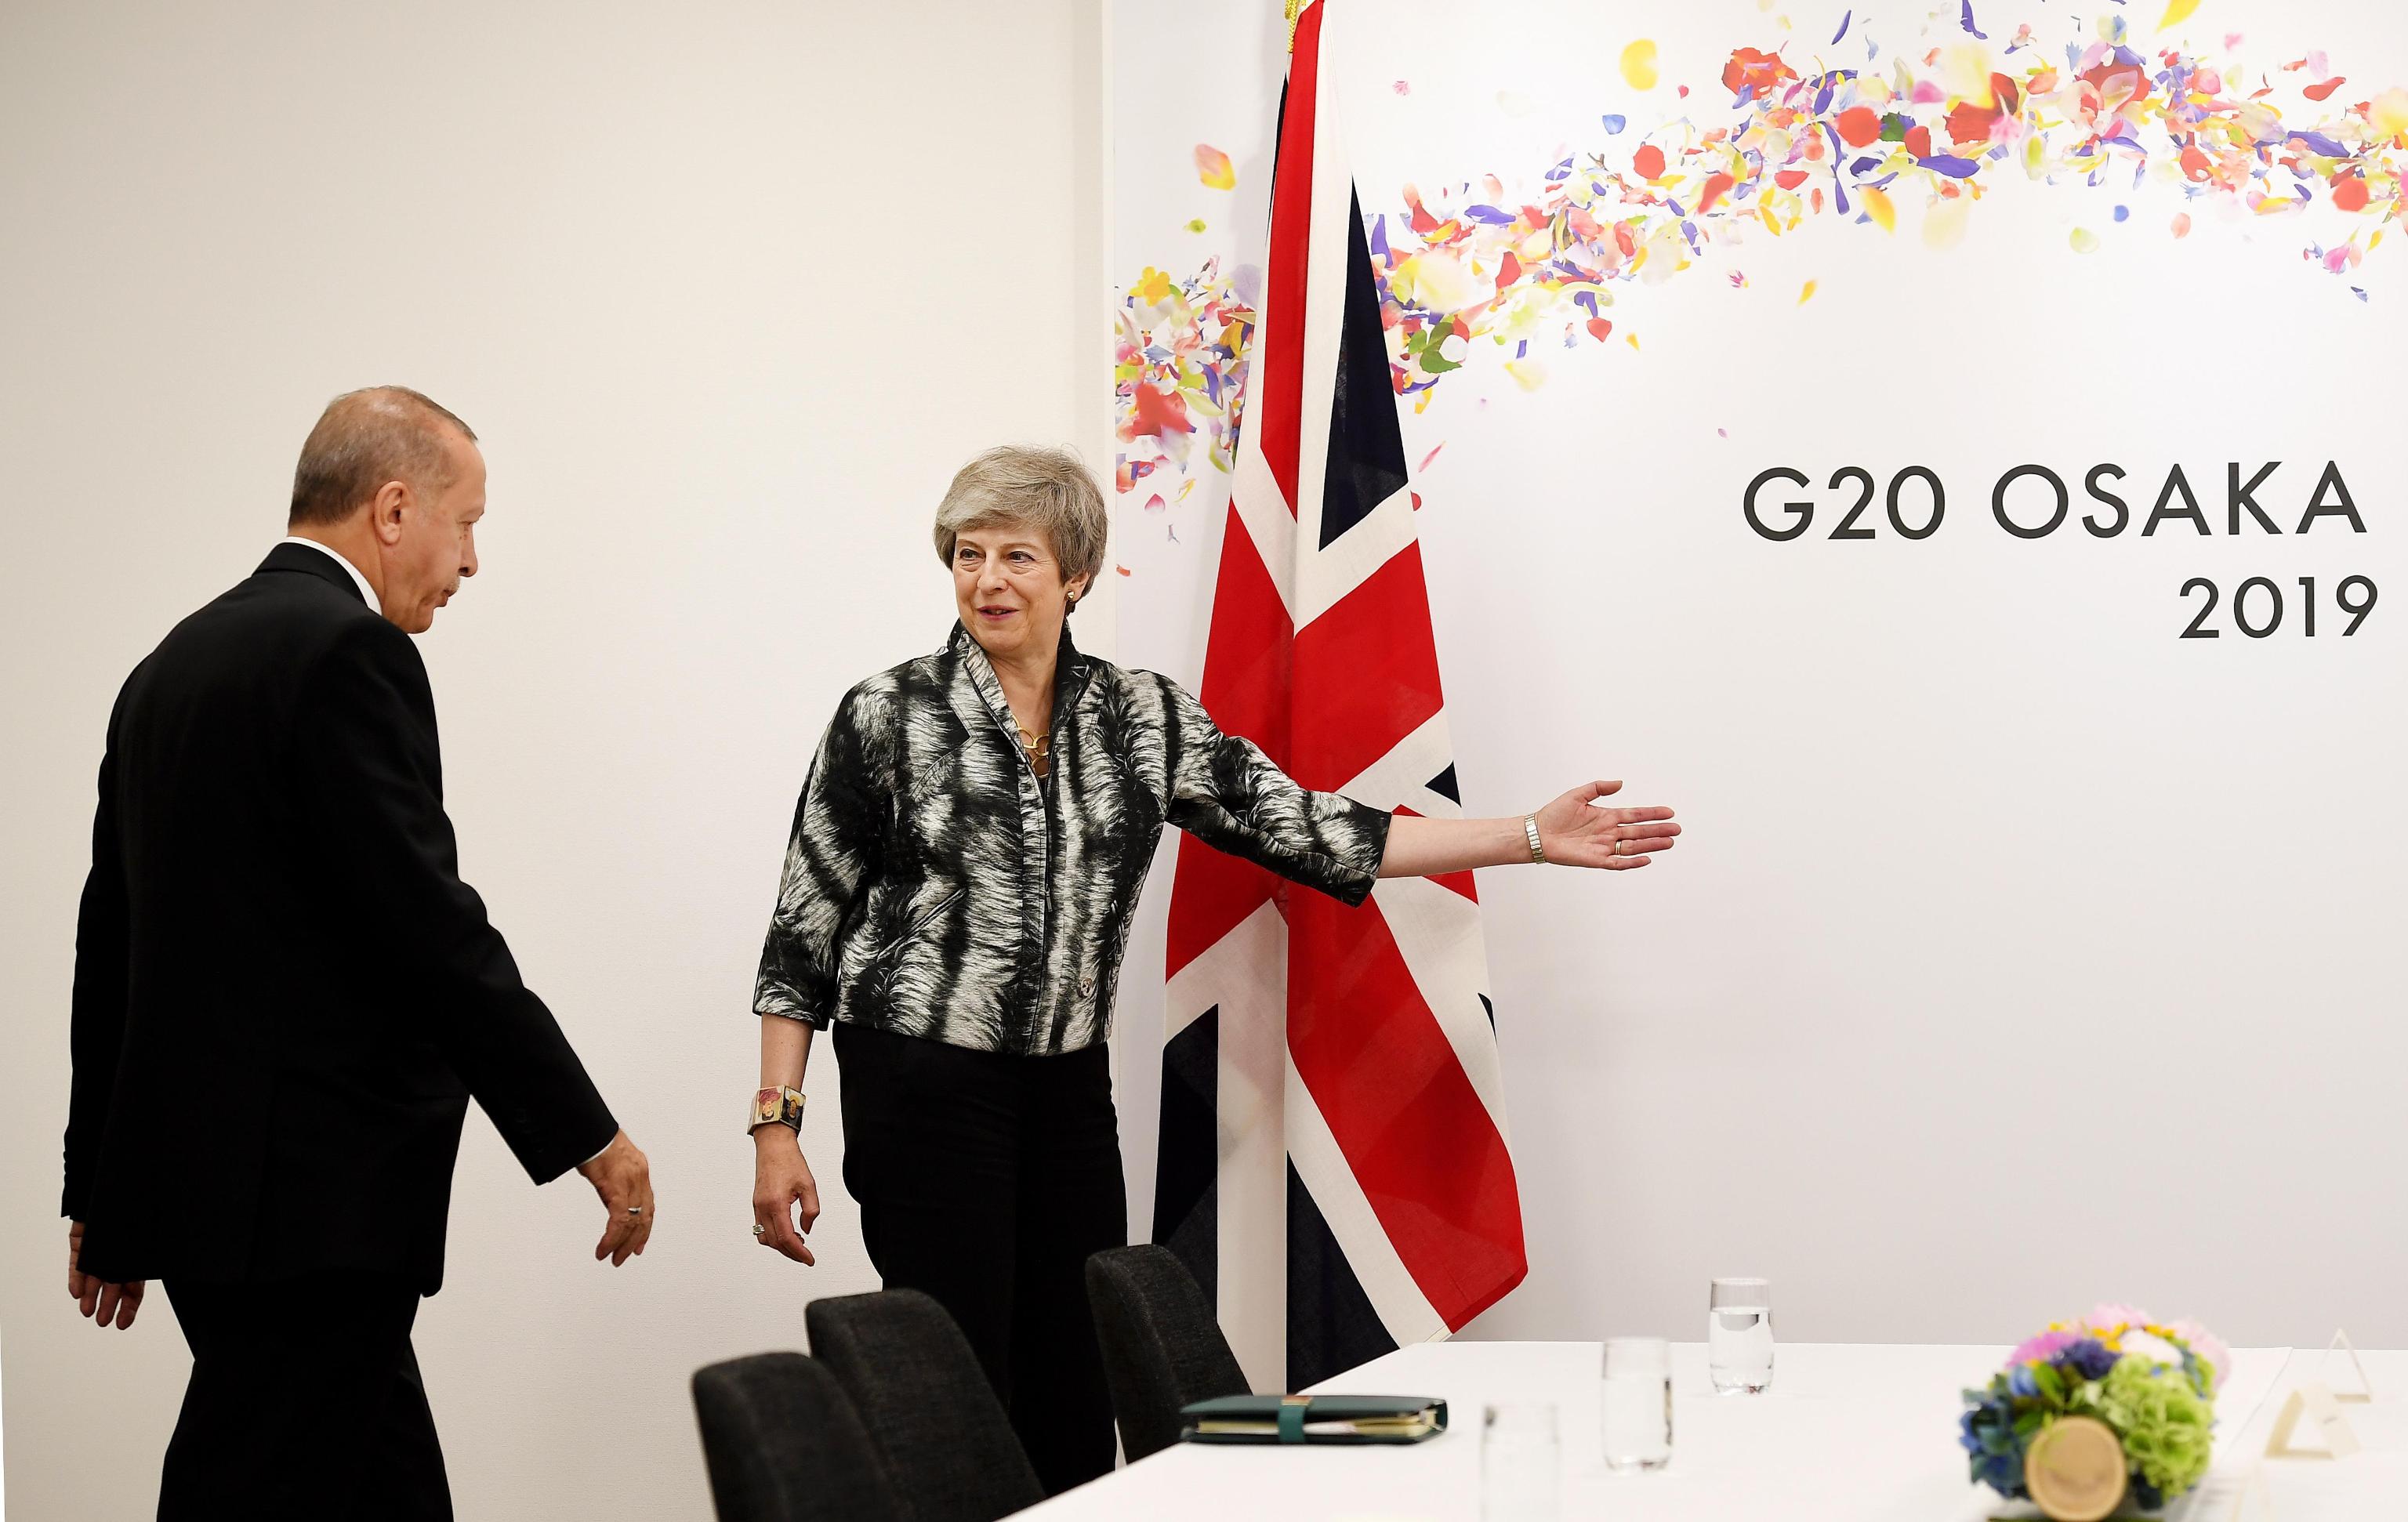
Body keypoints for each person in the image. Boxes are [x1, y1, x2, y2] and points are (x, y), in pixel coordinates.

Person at [745, 444, 1678, 1493]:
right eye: (968, 555)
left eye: (1017, 555)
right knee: (953, 1372)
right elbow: (804, 924)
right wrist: (776, 1122)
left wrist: (1529, 838)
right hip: (919, 1077)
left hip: (1064, 1087)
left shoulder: (1142, 715)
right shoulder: (886, 713)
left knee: (1073, 1373)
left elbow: (1309, 826)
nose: (989, 580)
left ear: (1076, 574)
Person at [63, 386, 657, 1520]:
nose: (471, 560)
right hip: (313, 1210)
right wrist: (585, 1129)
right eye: (466, 521)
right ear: (394, 508)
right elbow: (431, 930)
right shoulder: (349, 652)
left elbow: (112, 937)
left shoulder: (170, 664)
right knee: (249, 1486)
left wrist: (101, 1178)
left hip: (206, 1199)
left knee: (387, 1493)